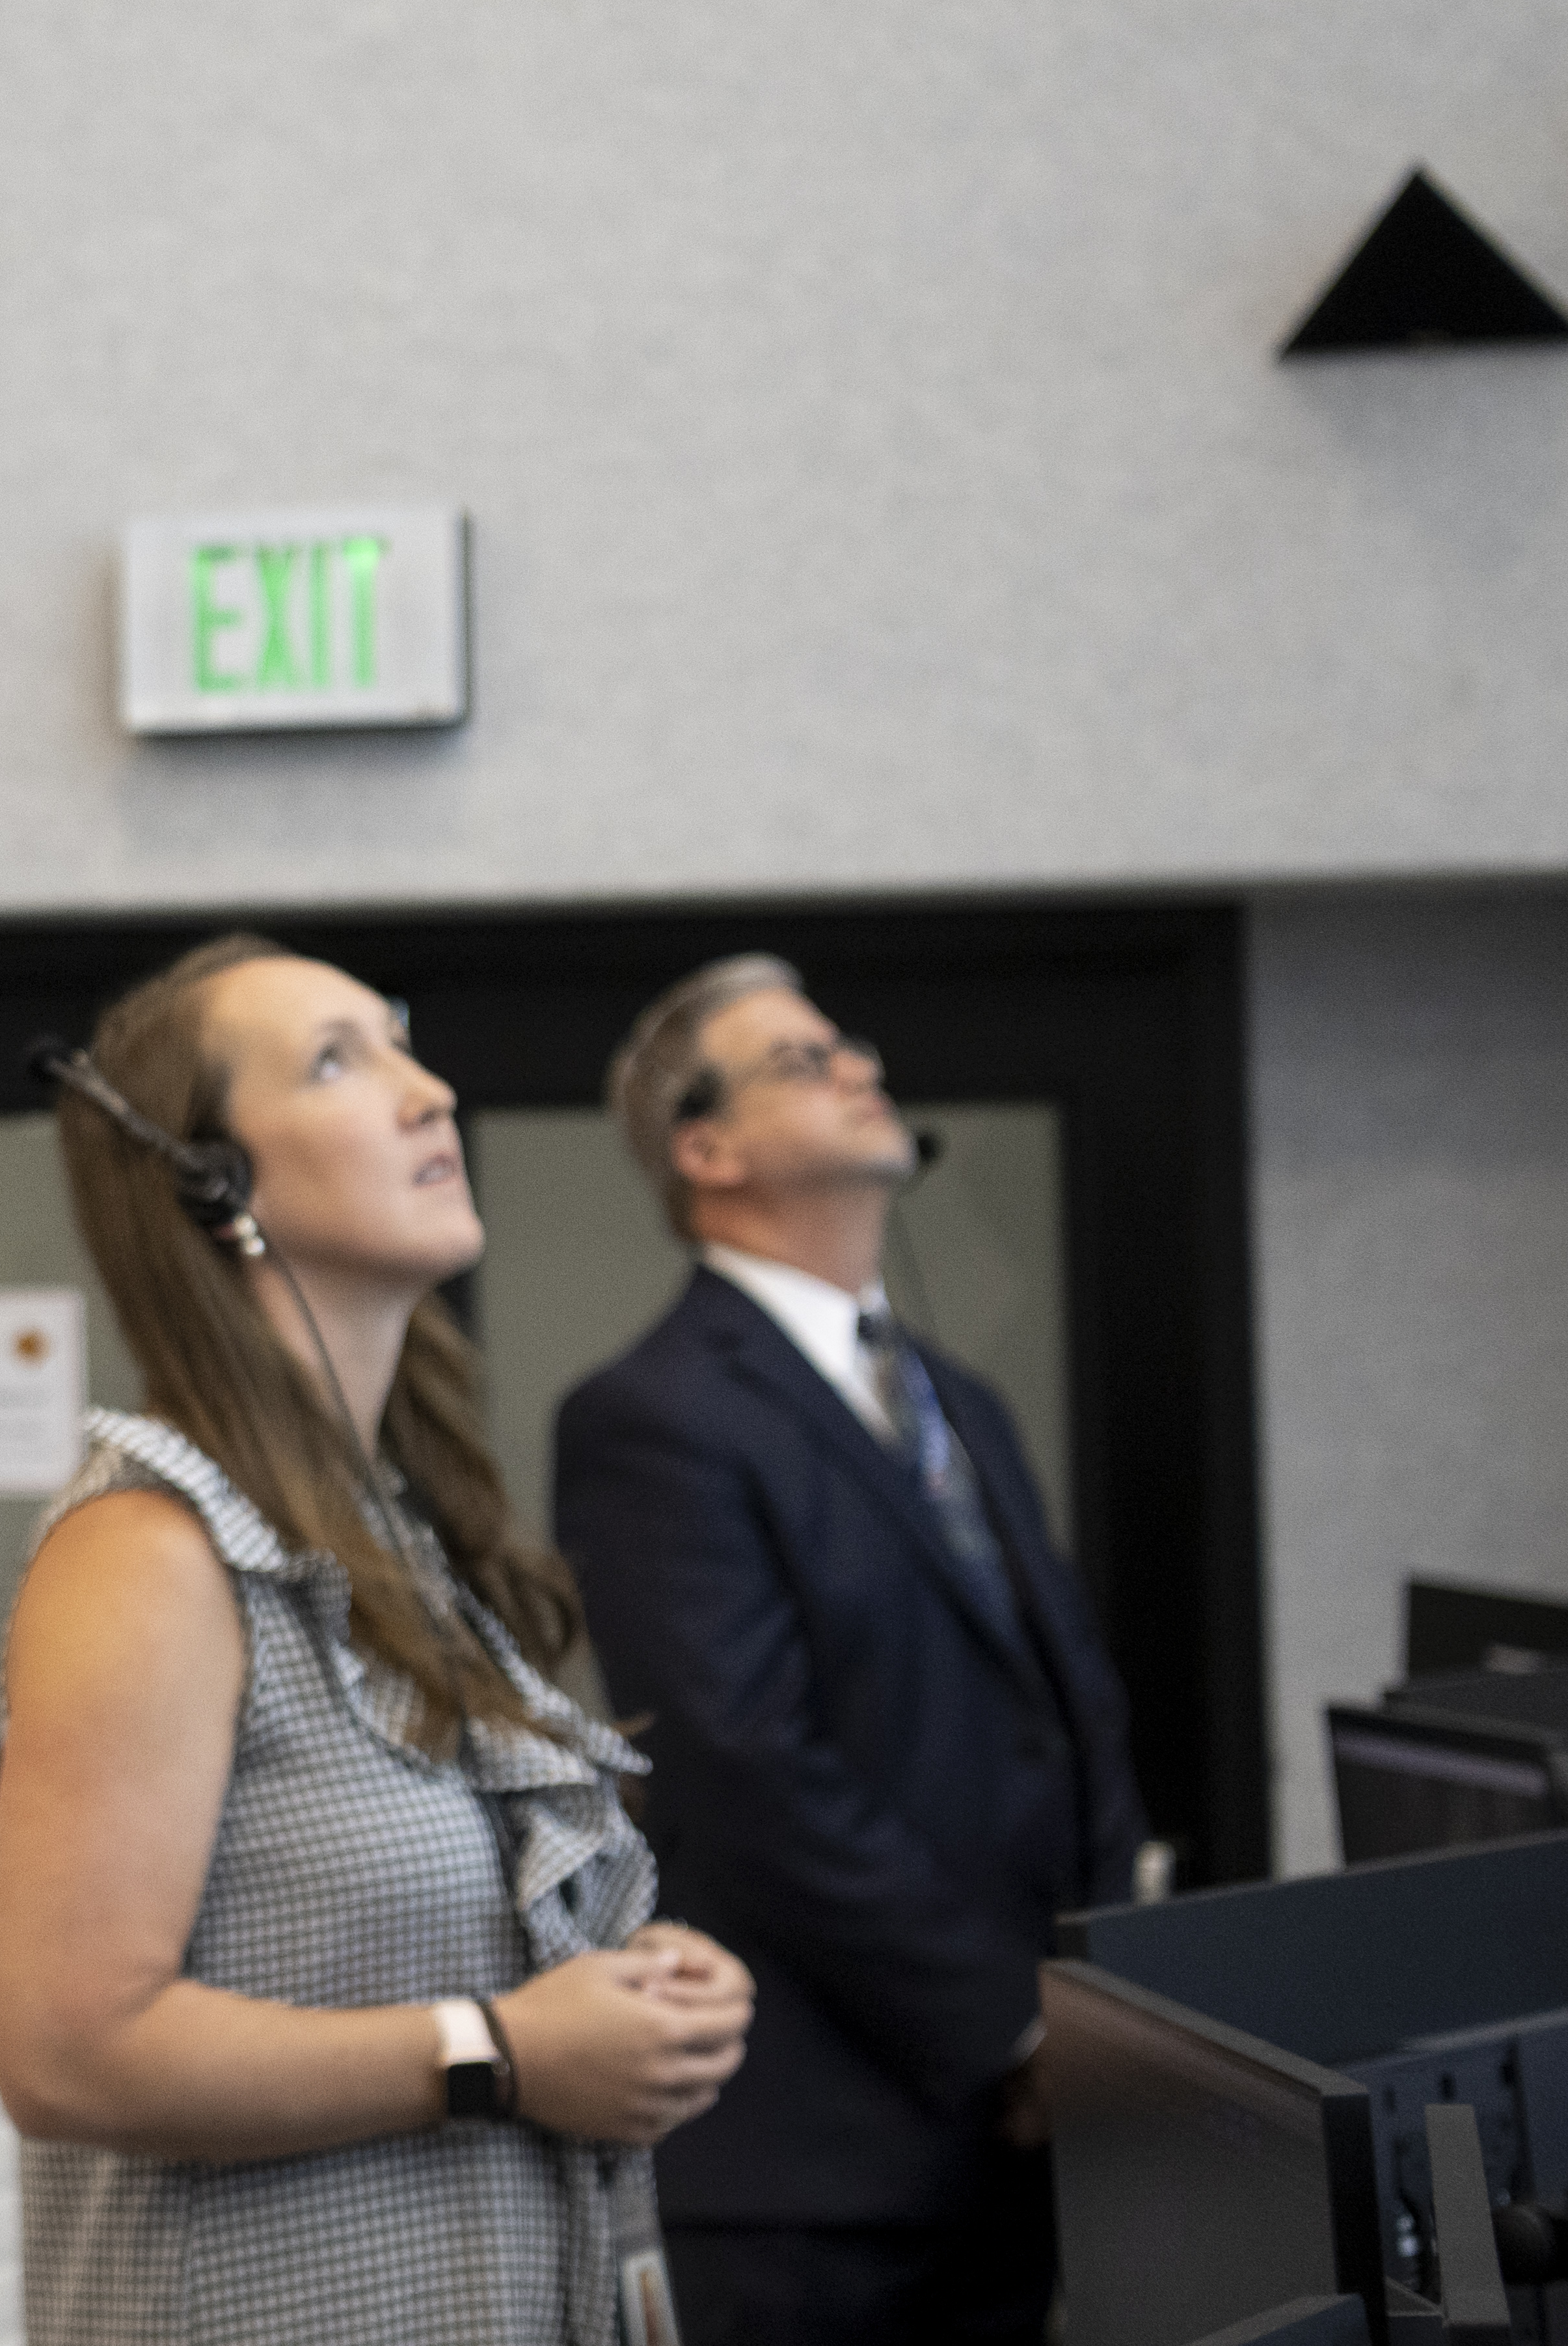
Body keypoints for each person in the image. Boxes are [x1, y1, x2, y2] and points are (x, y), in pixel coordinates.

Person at [0, 935, 748, 2346]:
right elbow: (67, 2049)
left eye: (402, 1041)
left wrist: (619, 1991)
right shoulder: (152, 1549)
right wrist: (504, 2051)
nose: (430, 1092)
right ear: (210, 1183)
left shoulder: (392, 1525)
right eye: (341, 1061)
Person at [552, 959, 1146, 2346]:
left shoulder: (961, 1400)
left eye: (847, 1043)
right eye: (804, 1059)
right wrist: (1013, 2027)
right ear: (708, 1149)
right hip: (817, 2167)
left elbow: (1078, 1715)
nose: (860, 1065)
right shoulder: (652, 1416)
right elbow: (745, 1765)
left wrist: (1098, 2007)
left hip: (1028, 2139)